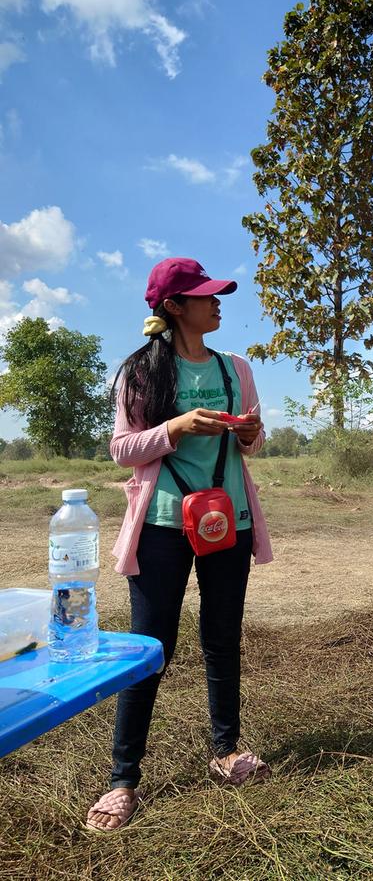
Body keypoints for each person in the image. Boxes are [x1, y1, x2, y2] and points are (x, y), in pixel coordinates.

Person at [86, 257, 273, 832]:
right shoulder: (141, 372)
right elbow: (122, 449)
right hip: (164, 525)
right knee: (150, 647)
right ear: (174, 307)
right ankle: (124, 779)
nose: (217, 304)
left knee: (222, 637)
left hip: (228, 519)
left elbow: (255, 443)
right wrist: (176, 428)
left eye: (217, 296)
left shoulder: (234, 366)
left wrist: (247, 431)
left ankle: (225, 752)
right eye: (205, 297)